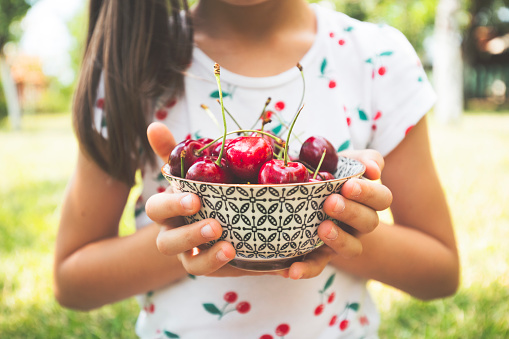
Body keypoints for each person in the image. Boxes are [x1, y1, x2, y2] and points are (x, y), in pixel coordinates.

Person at [54, 0, 459, 338]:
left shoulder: (375, 57)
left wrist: (332, 222)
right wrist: (201, 227)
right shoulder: (131, 62)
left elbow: (440, 272)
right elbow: (72, 282)